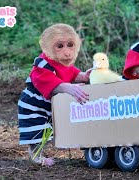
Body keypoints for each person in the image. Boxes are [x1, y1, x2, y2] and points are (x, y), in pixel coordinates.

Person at [18, 23, 91, 166]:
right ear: (47, 47)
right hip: (34, 105)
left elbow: (73, 74)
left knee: (51, 128)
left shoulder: (64, 63)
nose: (67, 52)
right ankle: (36, 156)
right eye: (60, 46)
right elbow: (54, 84)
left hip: (48, 104)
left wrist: (85, 76)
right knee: (38, 130)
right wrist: (68, 88)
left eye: (70, 45)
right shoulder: (42, 64)